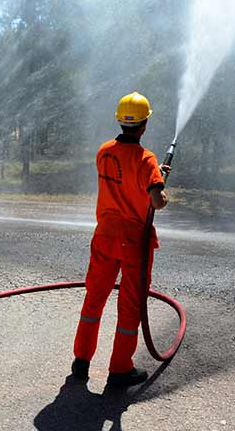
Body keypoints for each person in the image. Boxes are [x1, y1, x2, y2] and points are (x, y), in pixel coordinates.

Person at [71, 92, 169, 388]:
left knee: (94, 298)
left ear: (120, 120)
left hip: (104, 236)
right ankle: (120, 369)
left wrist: (152, 176)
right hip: (133, 241)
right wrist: (159, 182)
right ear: (144, 125)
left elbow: (125, 176)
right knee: (129, 305)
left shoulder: (103, 152)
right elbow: (158, 201)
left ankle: (81, 361)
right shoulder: (147, 159)